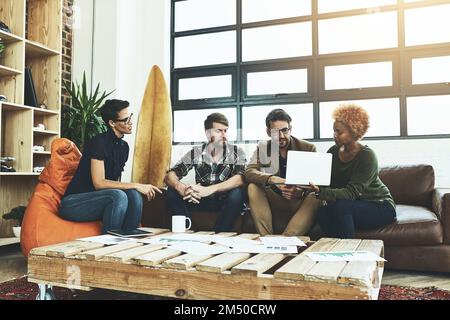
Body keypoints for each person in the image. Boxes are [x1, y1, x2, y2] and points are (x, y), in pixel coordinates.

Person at [60, 99, 162, 234]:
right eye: (125, 120)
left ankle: (130, 236)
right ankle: (109, 242)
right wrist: (137, 184)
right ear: (112, 123)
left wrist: (134, 188)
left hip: (101, 200)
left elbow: (116, 182)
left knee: (134, 195)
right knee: (118, 196)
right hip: (74, 203)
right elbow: (99, 183)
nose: (130, 122)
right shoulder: (98, 143)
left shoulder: (123, 147)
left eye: (130, 117)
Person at [308, 103, 396, 239]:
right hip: (352, 206)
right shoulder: (333, 151)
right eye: (334, 131)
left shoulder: (367, 156)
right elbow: (325, 182)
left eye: (339, 132)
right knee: (323, 212)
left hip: (379, 206)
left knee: (342, 207)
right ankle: (330, 252)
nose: (334, 135)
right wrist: (307, 187)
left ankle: (348, 253)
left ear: (354, 131)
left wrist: (321, 192)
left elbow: (351, 193)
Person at [165, 113, 247, 232]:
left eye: (225, 131)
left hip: (224, 200)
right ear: (208, 133)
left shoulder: (237, 152)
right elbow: (170, 175)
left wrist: (210, 189)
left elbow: (240, 178)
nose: (224, 135)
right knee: (171, 191)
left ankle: (219, 233)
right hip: (200, 198)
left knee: (238, 193)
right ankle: (186, 230)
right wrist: (182, 188)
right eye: (219, 131)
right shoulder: (196, 152)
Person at [245, 109, 320, 236]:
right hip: (275, 201)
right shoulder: (263, 148)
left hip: (298, 202)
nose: (281, 136)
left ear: (290, 129)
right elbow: (249, 172)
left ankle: (286, 239)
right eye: (275, 132)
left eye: (285, 130)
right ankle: (267, 239)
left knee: (317, 195)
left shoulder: (308, 148)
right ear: (268, 132)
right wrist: (272, 179)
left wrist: (300, 191)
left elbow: (315, 181)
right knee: (253, 187)